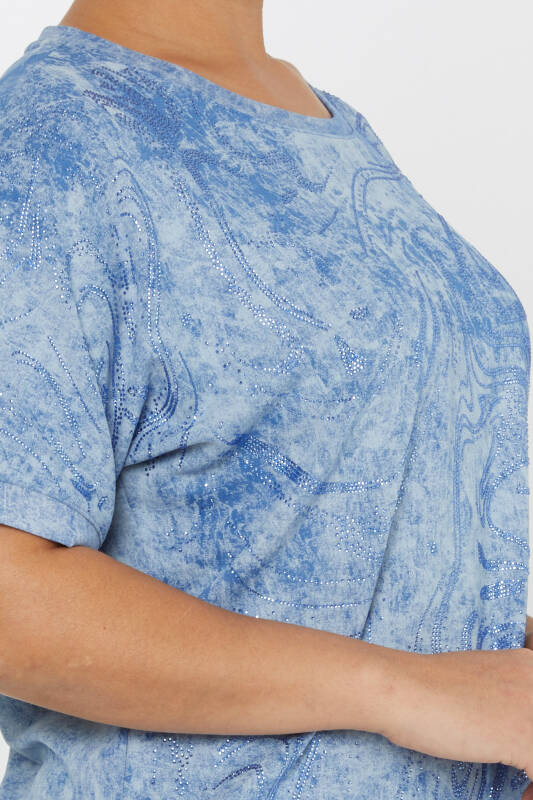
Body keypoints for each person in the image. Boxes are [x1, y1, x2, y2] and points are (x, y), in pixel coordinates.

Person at [0, 0, 532, 797]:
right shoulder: (48, 140)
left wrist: (495, 667)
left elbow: (318, 532)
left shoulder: (328, 127)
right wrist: (405, 691)